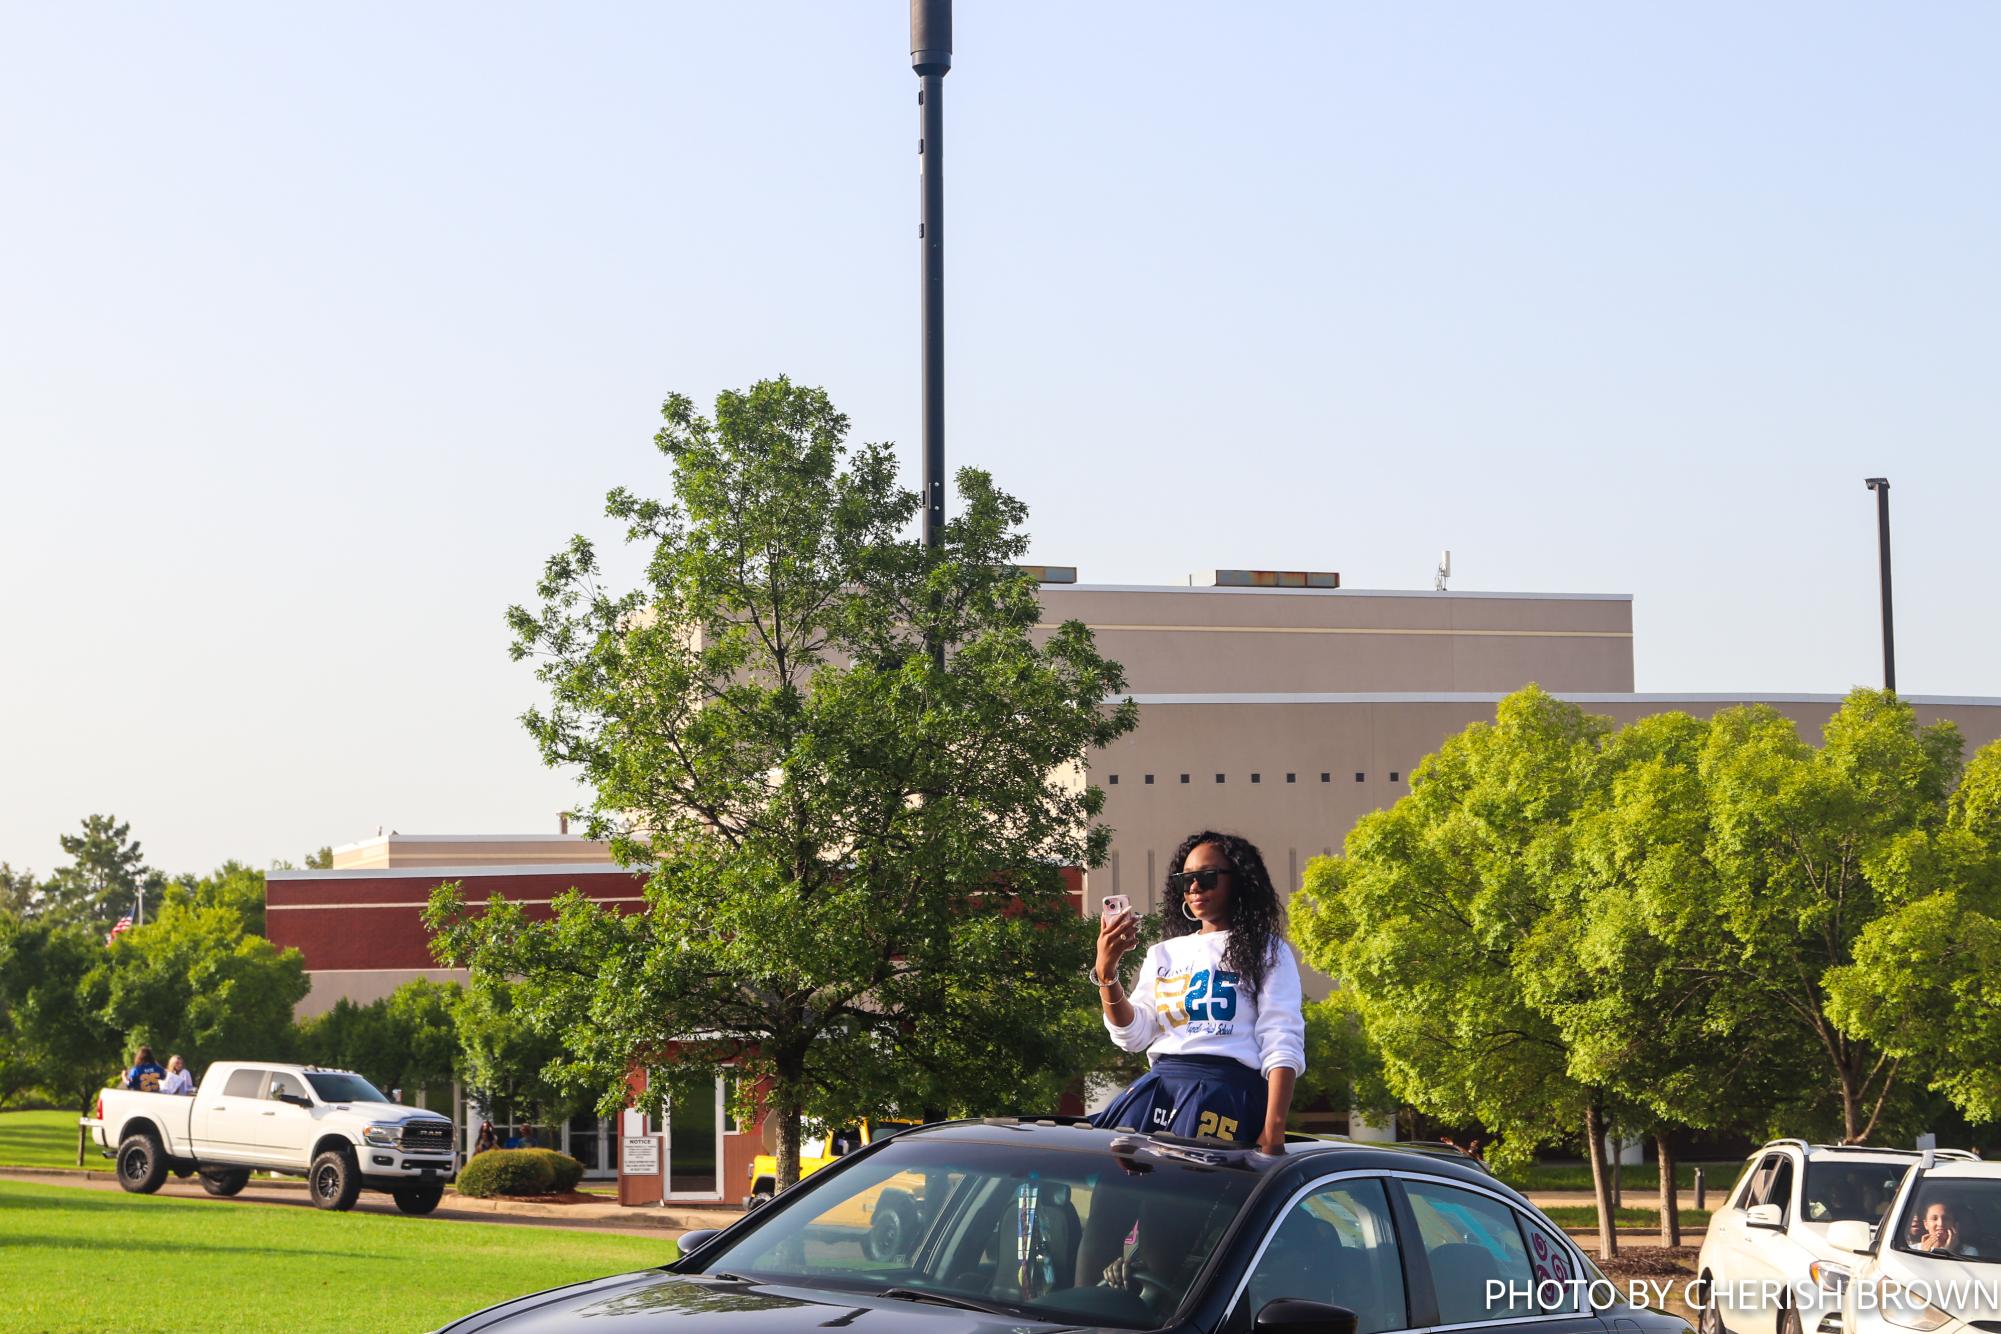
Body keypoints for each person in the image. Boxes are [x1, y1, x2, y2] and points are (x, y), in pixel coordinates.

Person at [1091, 831, 1305, 1153]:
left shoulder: (1268, 951)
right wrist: (1107, 972)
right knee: (1112, 1180)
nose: (1194, 888)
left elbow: (1282, 1042)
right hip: (1160, 1088)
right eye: (1186, 880)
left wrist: (1274, 1129)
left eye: (1206, 877)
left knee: (1197, 1193)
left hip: (1227, 1093)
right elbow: (1132, 1036)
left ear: (1238, 881)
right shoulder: (1163, 953)